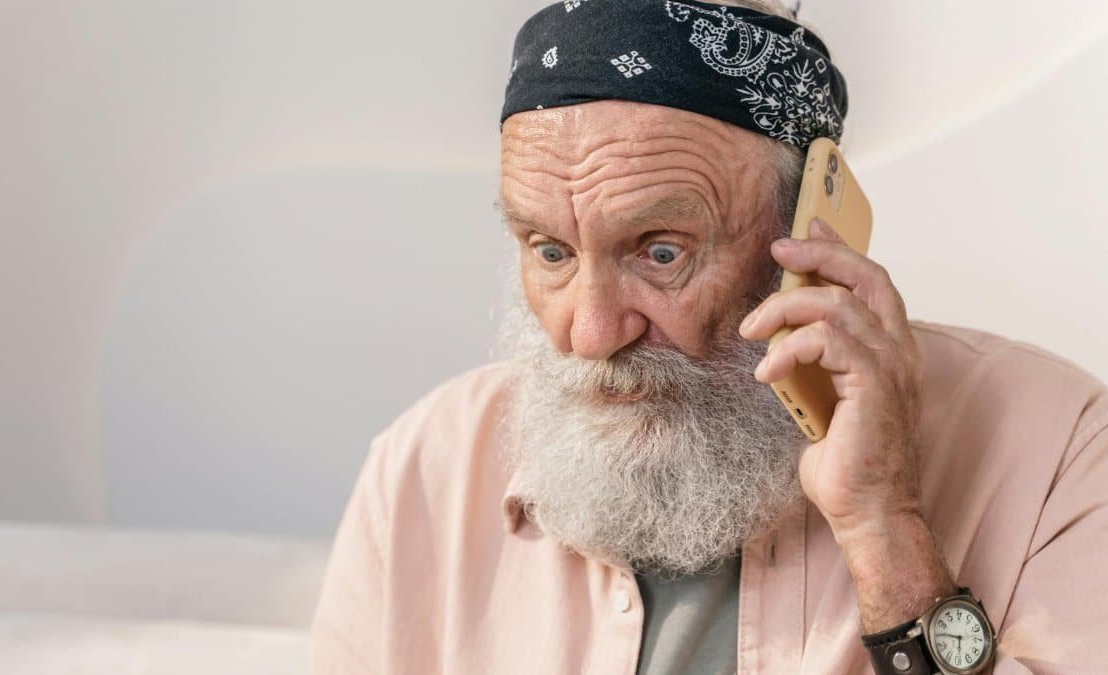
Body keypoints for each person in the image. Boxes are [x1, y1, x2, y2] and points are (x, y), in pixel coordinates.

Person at [308, 1, 1108, 673]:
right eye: (550, 251)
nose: (589, 333)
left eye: (661, 251)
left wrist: (886, 532)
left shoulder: (1059, 447)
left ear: (808, 238)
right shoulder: (421, 470)